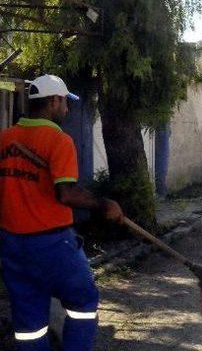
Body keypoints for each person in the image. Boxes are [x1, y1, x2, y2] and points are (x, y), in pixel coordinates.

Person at [0, 74, 124, 350]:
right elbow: (66, 193)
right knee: (83, 302)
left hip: (11, 245)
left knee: (30, 325)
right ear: (54, 101)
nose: (67, 109)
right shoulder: (58, 140)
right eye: (65, 103)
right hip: (52, 244)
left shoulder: (5, 139)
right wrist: (105, 204)